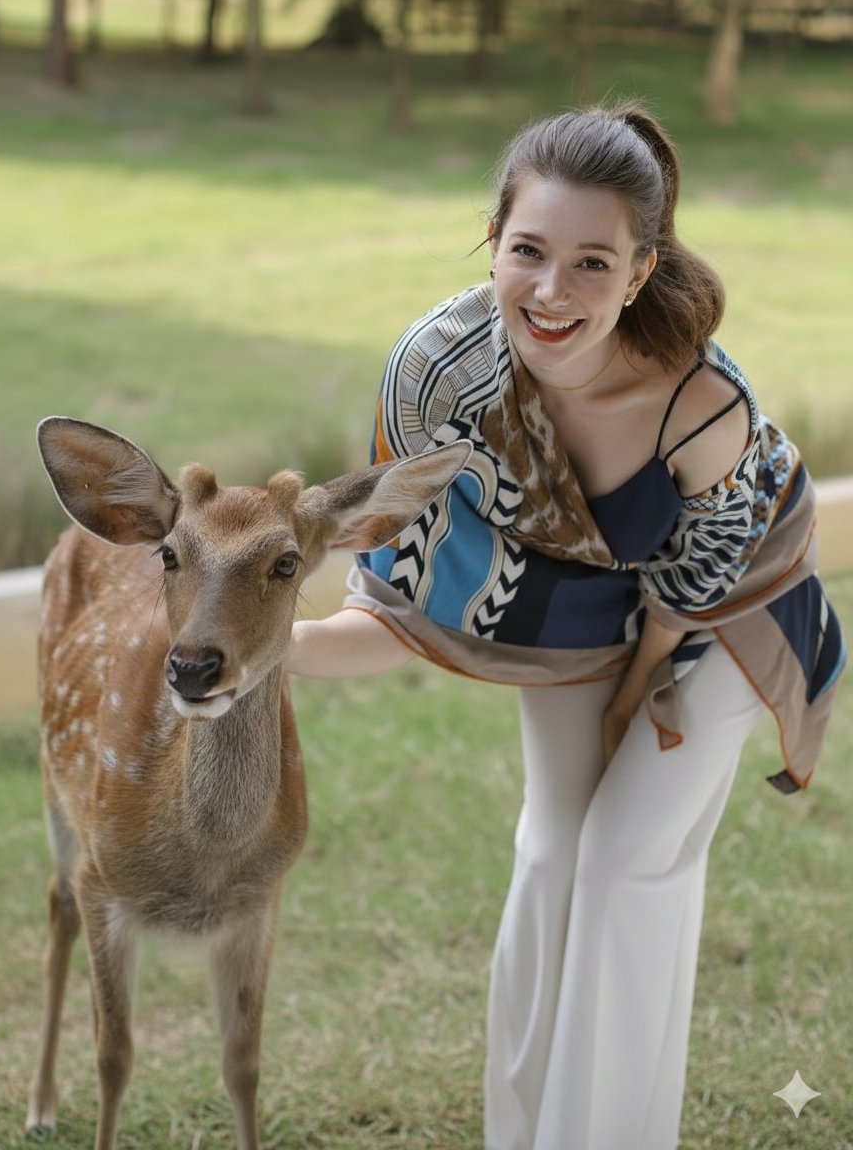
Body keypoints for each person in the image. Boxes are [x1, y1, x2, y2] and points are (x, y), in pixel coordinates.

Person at [285, 100, 846, 1150]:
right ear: (492, 242)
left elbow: (693, 584)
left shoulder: (700, 404)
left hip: (731, 599)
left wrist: (635, 699)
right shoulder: (435, 372)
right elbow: (398, 590)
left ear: (639, 273)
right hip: (579, 587)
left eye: (592, 263)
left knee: (627, 856)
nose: (551, 292)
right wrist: (272, 646)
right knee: (552, 850)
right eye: (529, 252)